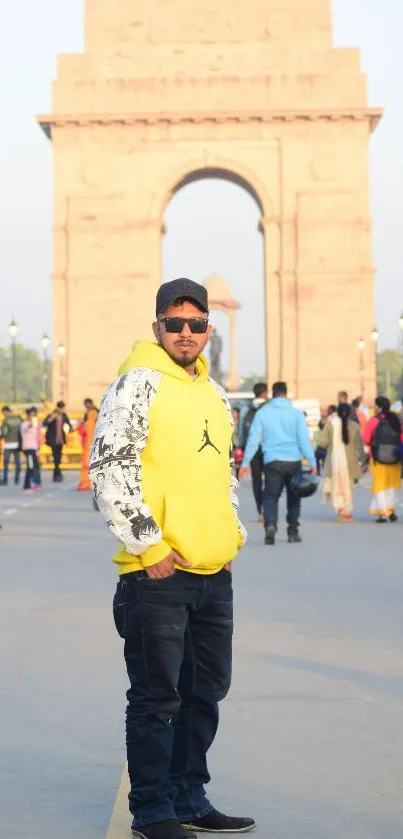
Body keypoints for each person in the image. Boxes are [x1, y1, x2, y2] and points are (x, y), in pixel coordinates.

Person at [90, 278, 254, 839]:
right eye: (175, 322)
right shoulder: (136, 384)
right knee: (158, 697)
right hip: (156, 574)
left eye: (197, 323)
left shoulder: (213, 394)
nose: (187, 333)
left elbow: (222, 473)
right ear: (156, 326)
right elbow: (110, 467)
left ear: (209, 328)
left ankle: (189, 797)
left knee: (205, 693)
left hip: (212, 573)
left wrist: (230, 538)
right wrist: (149, 545)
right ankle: (153, 810)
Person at [240, 381, 316, 546]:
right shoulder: (296, 414)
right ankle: (293, 531)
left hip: (272, 462)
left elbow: (254, 439)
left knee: (270, 496)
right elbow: (304, 441)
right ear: (286, 393)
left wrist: (245, 462)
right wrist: (312, 462)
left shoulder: (263, 413)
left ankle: (270, 525)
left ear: (272, 393)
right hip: (293, 461)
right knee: (294, 496)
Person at [318, 403, 366, 522]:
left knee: (336, 485)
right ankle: (346, 509)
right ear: (350, 413)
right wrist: (364, 461)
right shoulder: (355, 426)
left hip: (334, 462)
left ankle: (340, 508)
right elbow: (359, 446)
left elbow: (322, 443)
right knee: (347, 487)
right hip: (349, 463)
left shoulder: (330, 424)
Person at [363, 396, 402, 522]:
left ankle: (383, 512)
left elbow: (366, 439)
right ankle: (390, 510)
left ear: (379, 407)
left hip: (377, 457)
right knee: (391, 485)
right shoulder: (397, 419)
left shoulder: (374, 420)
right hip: (395, 457)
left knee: (380, 485)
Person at [241, 383, 268, 520]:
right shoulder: (269, 408)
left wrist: (242, 448)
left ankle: (260, 509)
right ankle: (268, 506)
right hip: (268, 450)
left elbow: (241, 432)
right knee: (270, 480)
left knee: (257, 481)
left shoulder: (247, 410)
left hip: (252, 452)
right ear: (264, 393)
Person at [43, 401, 72, 482]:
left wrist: (70, 428)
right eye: (60, 408)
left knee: (58, 457)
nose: (61, 410)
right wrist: (52, 417)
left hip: (60, 440)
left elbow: (69, 424)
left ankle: (56, 473)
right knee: (55, 456)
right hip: (53, 439)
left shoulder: (63, 415)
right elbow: (45, 423)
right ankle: (57, 474)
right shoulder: (52, 414)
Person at [77, 398, 99, 491]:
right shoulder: (92, 419)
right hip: (93, 442)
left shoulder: (91, 417)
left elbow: (81, 431)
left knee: (87, 464)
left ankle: (86, 483)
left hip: (90, 444)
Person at [20, 407, 42, 493]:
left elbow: (35, 438)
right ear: (28, 416)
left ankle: (35, 483)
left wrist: (37, 450)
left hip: (33, 449)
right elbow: (26, 429)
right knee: (30, 467)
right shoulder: (24, 424)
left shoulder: (34, 425)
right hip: (28, 449)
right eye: (31, 415)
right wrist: (30, 424)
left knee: (34, 467)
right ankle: (26, 487)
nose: (32, 417)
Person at [0, 406, 22, 486]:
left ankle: (5, 480)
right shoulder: (18, 418)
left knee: (6, 463)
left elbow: (4, 433)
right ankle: (17, 479)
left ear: (5, 411)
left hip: (8, 444)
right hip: (17, 444)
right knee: (17, 463)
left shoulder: (6, 420)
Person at [314, 405, 336, 474]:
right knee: (324, 463)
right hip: (324, 450)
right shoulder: (327, 433)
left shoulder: (316, 433)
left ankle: (317, 472)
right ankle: (325, 474)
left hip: (317, 450)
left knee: (316, 461)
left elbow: (314, 442)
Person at [231, 407, 243, 480]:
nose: (233, 414)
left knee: (238, 461)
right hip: (232, 444)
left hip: (238, 444)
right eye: (232, 412)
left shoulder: (240, 423)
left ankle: (237, 477)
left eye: (235, 413)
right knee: (232, 461)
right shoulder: (230, 422)